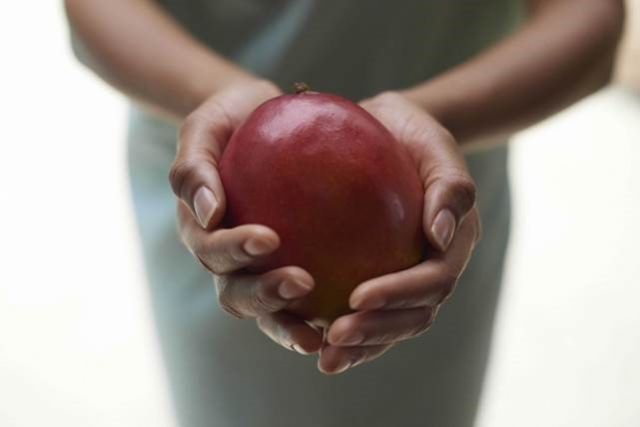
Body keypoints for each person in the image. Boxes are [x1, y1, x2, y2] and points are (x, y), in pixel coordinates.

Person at [64, 1, 624, 426]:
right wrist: (213, 97)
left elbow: (591, 18)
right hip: (213, 180)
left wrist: (437, 119)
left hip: (432, 198)